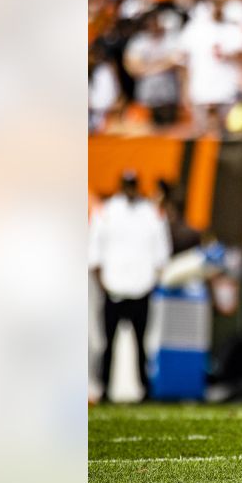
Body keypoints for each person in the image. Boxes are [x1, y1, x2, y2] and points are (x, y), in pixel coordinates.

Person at [88, 171, 171, 402]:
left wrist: (152, 279)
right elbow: (94, 253)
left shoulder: (151, 213)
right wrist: (102, 283)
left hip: (141, 287)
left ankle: (144, 389)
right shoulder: (106, 212)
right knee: (106, 343)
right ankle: (103, 387)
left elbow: (161, 254)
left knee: (143, 343)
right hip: (113, 285)